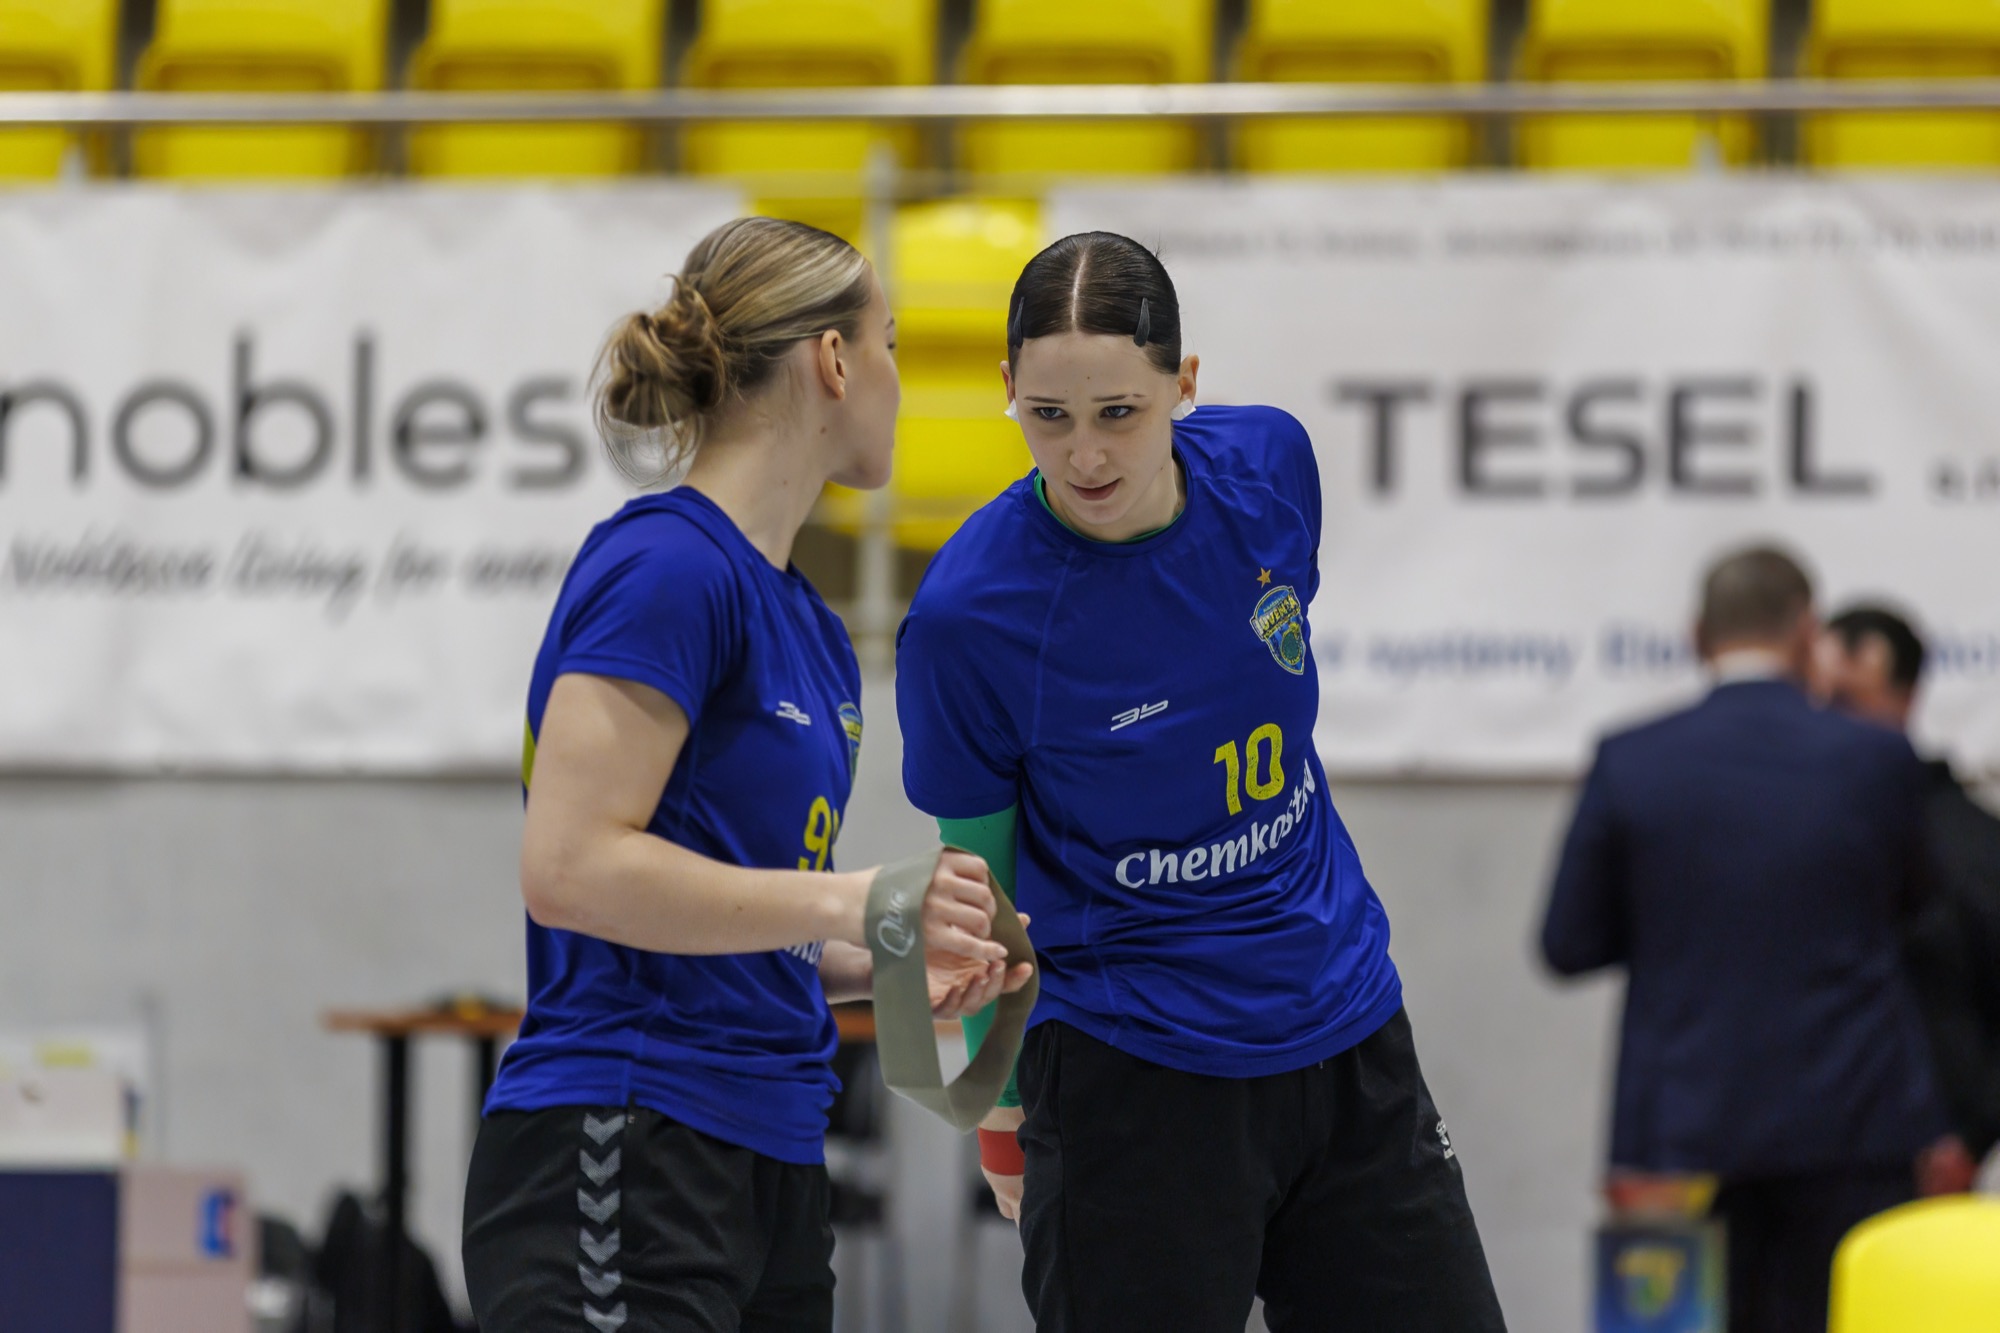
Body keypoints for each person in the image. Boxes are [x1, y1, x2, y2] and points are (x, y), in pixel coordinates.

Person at [895, 231, 1506, 1332]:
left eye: (1119, 412)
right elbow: (976, 893)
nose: (1084, 453)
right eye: (1049, 414)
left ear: (1182, 383)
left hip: (1345, 1026)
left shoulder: (1271, 466)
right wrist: (999, 1120)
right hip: (1130, 1069)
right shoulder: (969, 618)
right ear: (1007, 388)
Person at [461, 217, 1033, 1333]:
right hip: (627, 1134)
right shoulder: (667, 565)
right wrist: (857, 899)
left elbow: (739, 922)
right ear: (834, 361)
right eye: (891, 347)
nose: (899, 382)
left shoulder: (810, 628)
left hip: (772, 1159)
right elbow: (568, 868)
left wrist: (886, 960)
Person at [1541, 547, 1945, 1333]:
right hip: (1850, 1121)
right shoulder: (1876, 758)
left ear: (1697, 634)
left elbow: (1567, 942)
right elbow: (1917, 902)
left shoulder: (1631, 760)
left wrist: (1672, 929)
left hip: (1675, 1131)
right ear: (1808, 633)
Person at [1819, 604, 2000, 1191]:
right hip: (1795, 1155)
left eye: (1847, 700)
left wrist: (1973, 1135)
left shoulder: (1971, 842)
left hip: (1930, 1156)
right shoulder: (1788, 834)